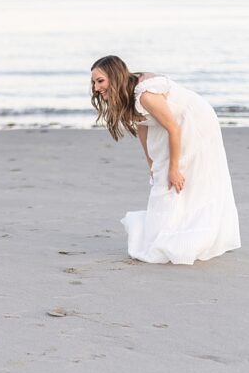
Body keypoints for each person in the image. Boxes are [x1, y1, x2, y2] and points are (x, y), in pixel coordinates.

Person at [90, 55, 240, 264]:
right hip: (173, 125)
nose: (96, 88)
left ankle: (190, 235)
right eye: (94, 82)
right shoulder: (128, 94)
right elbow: (142, 125)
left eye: (100, 81)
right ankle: (174, 229)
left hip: (193, 121)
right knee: (162, 174)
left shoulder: (145, 95)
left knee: (179, 177)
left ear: (114, 77)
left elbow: (173, 128)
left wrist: (174, 168)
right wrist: (151, 162)